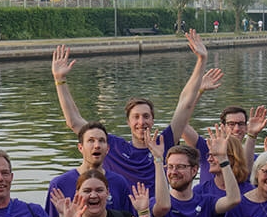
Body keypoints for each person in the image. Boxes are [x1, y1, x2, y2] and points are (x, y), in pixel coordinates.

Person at [51, 30, 215, 194]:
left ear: (152, 120)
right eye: (135, 117)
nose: (141, 122)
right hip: (125, 215)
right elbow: (73, 121)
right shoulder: (111, 146)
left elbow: (185, 103)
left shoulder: (164, 143)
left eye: (146, 116)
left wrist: (201, 60)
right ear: (128, 122)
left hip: (157, 212)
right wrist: (60, 80)